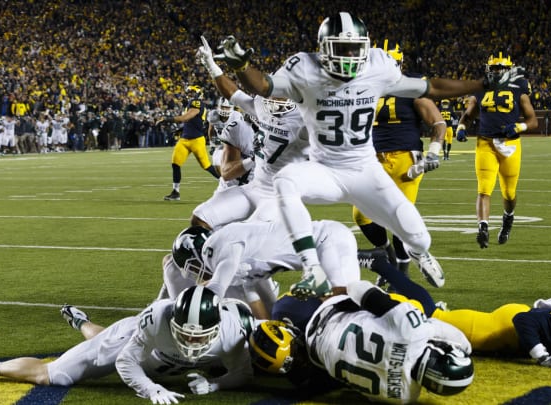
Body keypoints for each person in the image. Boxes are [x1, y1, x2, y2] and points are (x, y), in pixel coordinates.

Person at [214, 12, 524, 298]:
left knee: (420, 238)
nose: (350, 55)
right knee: (286, 182)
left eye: (355, 48)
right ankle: (313, 269)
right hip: (324, 168)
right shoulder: (305, 68)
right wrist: (241, 65)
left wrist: (482, 84)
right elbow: (264, 86)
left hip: (364, 169)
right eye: (342, 48)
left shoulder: (378, 65)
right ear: (323, 48)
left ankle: (418, 252)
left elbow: (430, 87)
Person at [0, 286, 254, 404]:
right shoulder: (154, 320)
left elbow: (243, 373)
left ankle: (81, 322)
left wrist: (216, 385)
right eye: (184, 334)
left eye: (198, 336)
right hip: (128, 342)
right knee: (53, 375)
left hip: (155, 355)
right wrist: (151, 390)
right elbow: (125, 362)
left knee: (101, 339)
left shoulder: (235, 328)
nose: (191, 342)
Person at [359, 253, 551, 368]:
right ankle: (379, 266)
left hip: (535, 318)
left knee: (429, 317)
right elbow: (523, 320)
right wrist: (543, 356)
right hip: (505, 330)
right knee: (427, 314)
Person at [250, 281, 474, 403]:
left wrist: (334, 289)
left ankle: (376, 264)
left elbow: (359, 288)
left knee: (408, 308)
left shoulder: (413, 331)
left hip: (320, 316)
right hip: (318, 367)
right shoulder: (404, 397)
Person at [351, 39, 446, 282]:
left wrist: (434, 150)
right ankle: (387, 255)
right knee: (361, 215)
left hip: (405, 159)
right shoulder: (364, 85)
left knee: (399, 218)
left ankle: (400, 275)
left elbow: (437, 122)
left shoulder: (411, 85)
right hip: (372, 159)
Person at [192, 36, 309, 231]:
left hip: (279, 195)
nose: (272, 98)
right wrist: (211, 65)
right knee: (200, 218)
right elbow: (234, 94)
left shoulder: (305, 120)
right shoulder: (262, 106)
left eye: (279, 94)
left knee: (244, 235)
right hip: (254, 187)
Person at [160, 219, 361, 320]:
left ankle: (374, 262)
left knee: (341, 305)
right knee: (290, 314)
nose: (197, 275)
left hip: (328, 241)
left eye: (194, 268)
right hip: (316, 253)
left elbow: (215, 291)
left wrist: (182, 310)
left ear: (198, 254)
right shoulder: (241, 262)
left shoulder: (220, 245)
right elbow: (262, 311)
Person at [455, 52, 537, 249]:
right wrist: (461, 127)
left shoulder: (519, 88)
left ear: (508, 70)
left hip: (510, 145)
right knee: (484, 188)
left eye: (500, 69)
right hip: (485, 143)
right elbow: (468, 114)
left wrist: (519, 127)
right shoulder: (481, 89)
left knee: (509, 193)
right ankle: (483, 227)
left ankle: (508, 218)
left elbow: (532, 120)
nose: (497, 73)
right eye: (494, 69)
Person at [160, 85, 219, 201]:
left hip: (197, 140)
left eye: (192, 92)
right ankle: (175, 192)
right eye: (189, 92)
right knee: (175, 163)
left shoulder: (197, 103)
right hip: (184, 139)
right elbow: (191, 122)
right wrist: (181, 130)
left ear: (198, 93)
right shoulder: (189, 104)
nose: (189, 94)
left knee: (206, 166)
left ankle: (227, 184)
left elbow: (187, 117)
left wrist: (167, 120)